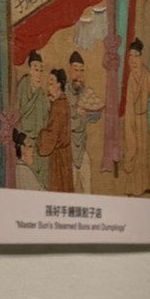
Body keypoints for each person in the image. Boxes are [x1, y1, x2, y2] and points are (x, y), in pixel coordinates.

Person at [121, 37, 150, 195]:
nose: (133, 60)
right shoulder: (131, 78)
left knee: (143, 151)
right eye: (131, 56)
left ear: (141, 57)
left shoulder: (145, 74)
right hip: (133, 117)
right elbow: (129, 103)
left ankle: (144, 185)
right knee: (133, 148)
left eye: (136, 55)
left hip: (142, 117)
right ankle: (132, 188)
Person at [16, 50, 50, 189]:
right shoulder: (23, 86)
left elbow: (46, 118)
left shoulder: (41, 93)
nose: (39, 74)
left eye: (41, 70)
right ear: (29, 70)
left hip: (39, 144)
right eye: (36, 69)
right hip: (25, 143)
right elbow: (19, 112)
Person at [37, 67, 73, 192]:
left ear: (59, 85)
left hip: (59, 157)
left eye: (51, 83)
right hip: (64, 154)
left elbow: (52, 135)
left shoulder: (58, 107)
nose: (48, 87)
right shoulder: (62, 102)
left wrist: (40, 135)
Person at [66, 50, 92, 194]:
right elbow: (64, 123)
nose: (79, 74)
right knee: (71, 191)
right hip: (68, 148)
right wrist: (77, 114)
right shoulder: (63, 92)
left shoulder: (84, 91)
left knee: (88, 189)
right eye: (76, 70)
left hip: (82, 147)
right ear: (69, 71)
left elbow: (91, 118)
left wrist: (94, 112)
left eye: (81, 70)